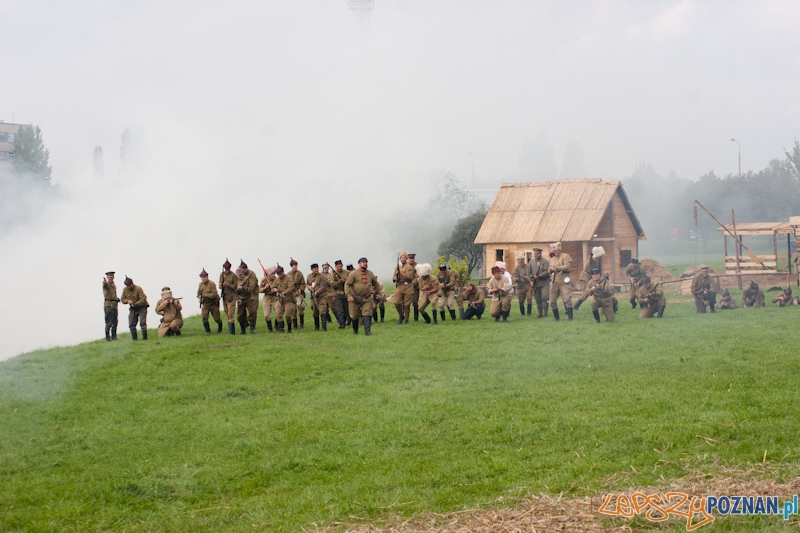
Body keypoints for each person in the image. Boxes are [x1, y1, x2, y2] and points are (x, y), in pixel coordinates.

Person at [345, 257, 378, 335]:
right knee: (354, 315)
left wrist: (373, 292)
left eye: (366, 262)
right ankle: (355, 330)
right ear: (359, 264)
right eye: (363, 262)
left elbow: (375, 283)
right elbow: (347, 284)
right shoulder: (353, 273)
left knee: (367, 313)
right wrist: (349, 295)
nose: (365, 263)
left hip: (367, 297)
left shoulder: (370, 273)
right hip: (355, 297)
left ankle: (367, 331)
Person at [548, 242, 573, 321]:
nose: (555, 252)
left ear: (560, 250)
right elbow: (549, 270)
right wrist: (551, 269)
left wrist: (557, 268)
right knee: (552, 301)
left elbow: (567, 266)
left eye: (557, 250)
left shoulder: (565, 256)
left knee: (567, 299)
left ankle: (570, 317)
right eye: (554, 250)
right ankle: (556, 318)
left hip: (564, 281)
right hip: (554, 281)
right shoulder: (552, 259)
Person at [121, 276, 149, 340]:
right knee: (131, 323)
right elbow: (122, 299)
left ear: (132, 283)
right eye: (127, 286)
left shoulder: (138, 288)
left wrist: (135, 303)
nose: (128, 287)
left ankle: (145, 338)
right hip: (133, 308)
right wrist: (128, 301)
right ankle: (134, 339)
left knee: (142, 322)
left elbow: (143, 298)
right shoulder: (125, 290)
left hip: (142, 307)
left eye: (129, 285)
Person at [271, 265, 296, 333]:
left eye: (280, 273)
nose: (279, 275)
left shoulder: (289, 278)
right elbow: (272, 288)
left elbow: (291, 288)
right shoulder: (277, 280)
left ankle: (289, 329)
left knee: (288, 315)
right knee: (278, 314)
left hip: (288, 300)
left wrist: (284, 292)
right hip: (280, 300)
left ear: (283, 272)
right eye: (278, 274)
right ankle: (281, 330)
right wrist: (274, 289)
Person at [393, 252, 416, 324]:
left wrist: (400, 272)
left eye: (404, 257)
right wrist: (395, 277)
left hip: (408, 286)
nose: (403, 259)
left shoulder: (409, 267)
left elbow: (408, 277)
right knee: (396, 302)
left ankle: (406, 319)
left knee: (406, 305)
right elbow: (394, 277)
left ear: (406, 258)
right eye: (401, 258)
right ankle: (401, 315)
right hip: (399, 286)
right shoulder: (397, 267)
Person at [197, 268, 223, 333]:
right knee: (204, 317)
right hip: (205, 304)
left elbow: (214, 295)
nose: (203, 279)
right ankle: (208, 331)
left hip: (213, 303)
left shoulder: (212, 284)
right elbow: (198, 294)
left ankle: (220, 326)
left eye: (204, 277)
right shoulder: (200, 285)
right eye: (202, 277)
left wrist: (204, 295)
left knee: (217, 318)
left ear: (207, 277)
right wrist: (200, 297)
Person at [527, 247, 550, 318]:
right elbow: (528, 273)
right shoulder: (531, 262)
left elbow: (547, 271)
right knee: (537, 299)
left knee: (545, 298)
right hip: (535, 283)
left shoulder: (545, 261)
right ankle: (540, 314)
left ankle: (545, 314)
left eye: (537, 253)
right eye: (535, 254)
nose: (536, 255)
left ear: (540, 253)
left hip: (544, 282)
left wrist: (539, 276)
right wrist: (530, 281)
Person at [235, 265, 257, 334]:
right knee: (240, 315)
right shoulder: (235, 280)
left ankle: (252, 329)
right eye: (238, 274)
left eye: (241, 274)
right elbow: (233, 289)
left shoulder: (248, 280)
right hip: (240, 299)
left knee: (251, 312)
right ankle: (243, 330)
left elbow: (251, 289)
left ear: (243, 274)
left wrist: (243, 288)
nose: (240, 276)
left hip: (248, 298)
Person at [307, 263, 329, 331]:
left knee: (322, 311)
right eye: (315, 269)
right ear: (312, 269)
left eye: (317, 268)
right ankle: (316, 327)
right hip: (313, 298)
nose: (316, 270)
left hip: (321, 297)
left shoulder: (322, 276)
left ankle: (324, 327)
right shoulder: (309, 276)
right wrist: (309, 287)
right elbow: (307, 284)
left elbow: (323, 287)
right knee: (315, 312)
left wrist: (316, 292)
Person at [239, 260, 259, 333]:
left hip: (253, 293)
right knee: (242, 311)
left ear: (246, 268)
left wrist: (244, 288)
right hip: (243, 295)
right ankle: (245, 323)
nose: (242, 271)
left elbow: (252, 286)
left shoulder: (251, 274)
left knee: (253, 310)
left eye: (243, 269)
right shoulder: (240, 274)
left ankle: (252, 327)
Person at [219, 259, 238, 334]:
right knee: (226, 312)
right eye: (225, 269)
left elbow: (235, 286)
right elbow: (220, 285)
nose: (226, 271)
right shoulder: (222, 274)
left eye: (228, 269)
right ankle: (231, 327)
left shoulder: (233, 275)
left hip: (231, 296)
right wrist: (220, 285)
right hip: (224, 295)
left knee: (230, 313)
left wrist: (228, 285)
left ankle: (232, 332)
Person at [328, 260, 348, 329]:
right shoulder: (332, 274)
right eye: (337, 266)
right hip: (337, 294)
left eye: (340, 266)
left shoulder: (347, 272)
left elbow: (351, 281)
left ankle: (344, 322)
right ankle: (342, 325)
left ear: (342, 265)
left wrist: (344, 281)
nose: (339, 267)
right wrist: (339, 282)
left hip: (346, 294)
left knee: (346, 310)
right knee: (339, 310)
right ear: (335, 267)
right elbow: (332, 284)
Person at [258, 265, 278, 332]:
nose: (273, 275)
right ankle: (270, 329)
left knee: (278, 313)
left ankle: (277, 325)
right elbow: (259, 290)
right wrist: (265, 288)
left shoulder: (277, 279)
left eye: (274, 274)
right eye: (272, 274)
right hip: (267, 298)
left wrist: (276, 289)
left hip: (275, 297)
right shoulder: (264, 280)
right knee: (267, 315)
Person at [289, 258, 306, 329]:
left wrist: (300, 290)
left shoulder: (300, 274)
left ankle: (301, 323)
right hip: (291, 294)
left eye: (296, 265)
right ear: (291, 266)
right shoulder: (288, 275)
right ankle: (295, 325)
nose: (295, 267)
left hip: (299, 293)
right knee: (292, 310)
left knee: (299, 306)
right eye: (294, 266)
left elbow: (303, 284)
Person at [102, 271, 119, 341]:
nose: (110, 279)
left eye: (111, 277)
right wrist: (104, 282)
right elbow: (105, 285)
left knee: (115, 322)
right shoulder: (106, 284)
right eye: (109, 278)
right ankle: (108, 337)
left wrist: (116, 299)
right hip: (108, 305)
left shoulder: (114, 285)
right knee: (109, 322)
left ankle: (114, 337)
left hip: (114, 305)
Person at [408, 253, 420, 321]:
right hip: (405, 286)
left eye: (413, 258)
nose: (412, 260)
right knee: (405, 302)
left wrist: (412, 284)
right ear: (408, 259)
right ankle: (404, 317)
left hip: (414, 286)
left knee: (415, 301)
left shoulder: (417, 266)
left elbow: (417, 276)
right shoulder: (405, 265)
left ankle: (416, 317)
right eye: (410, 258)